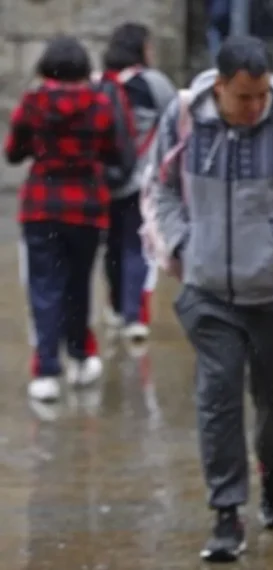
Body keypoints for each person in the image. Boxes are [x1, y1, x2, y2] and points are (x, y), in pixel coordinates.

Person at [147, 36, 273, 562]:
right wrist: (182, 241)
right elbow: (158, 184)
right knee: (218, 401)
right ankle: (226, 513)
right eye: (243, 97)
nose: (255, 107)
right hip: (208, 294)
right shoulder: (184, 118)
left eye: (262, 96)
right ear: (221, 85)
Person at [6, 36, 135, 402]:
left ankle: (46, 371)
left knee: (44, 288)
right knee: (79, 285)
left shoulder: (33, 103)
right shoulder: (100, 103)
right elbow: (116, 152)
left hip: (41, 206)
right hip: (88, 207)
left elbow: (13, 152)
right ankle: (79, 356)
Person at [98, 22, 178, 343]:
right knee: (136, 245)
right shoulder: (154, 82)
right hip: (141, 180)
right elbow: (175, 118)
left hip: (104, 180)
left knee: (112, 246)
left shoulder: (99, 83)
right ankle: (134, 317)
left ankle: (116, 309)